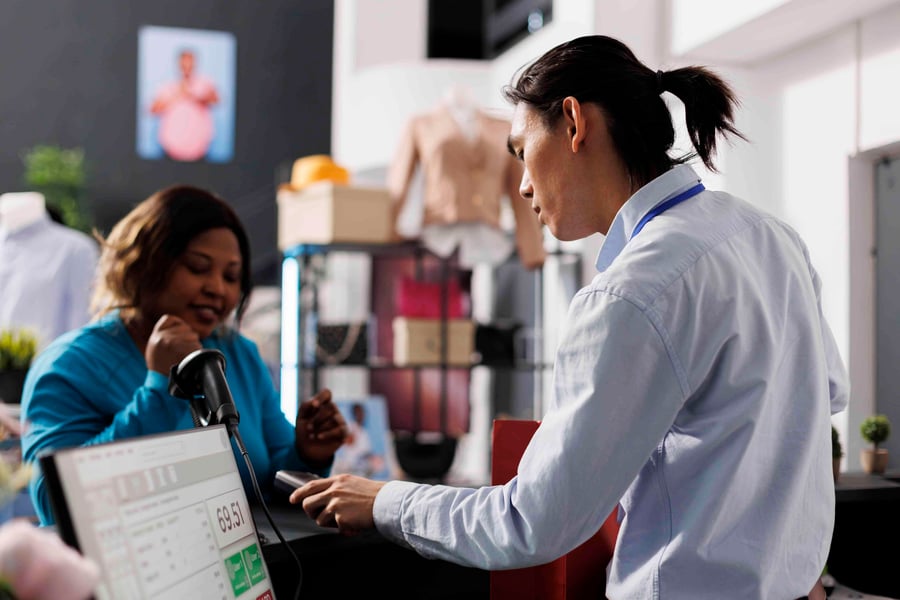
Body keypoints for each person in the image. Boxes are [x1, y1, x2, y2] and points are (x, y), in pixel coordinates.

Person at [290, 34, 847, 599]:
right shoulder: (772, 237)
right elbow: (826, 392)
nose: (524, 185)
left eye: (521, 152)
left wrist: (384, 500)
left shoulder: (631, 293)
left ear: (575, 123)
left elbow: (529, 523)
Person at [21, 184, 348, 525]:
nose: (217, 288)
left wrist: (307, 452)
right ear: (142, 265)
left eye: (231, 276)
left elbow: (267, 474)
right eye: (197, 267)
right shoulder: (69, 365)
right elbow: (53, 502)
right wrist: (160, 389)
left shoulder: (238, 353)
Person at [149, 48, 220, 161]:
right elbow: (153, 110)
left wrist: (192, 95)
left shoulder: (205, 84)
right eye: (184, 63)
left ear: (195, 64)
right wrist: (177, 94)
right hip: (170, 150)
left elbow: (215, 100)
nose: (187, 66)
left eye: (190, 62)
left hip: (199, 151)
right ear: (179, 64)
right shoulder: (168, 87)